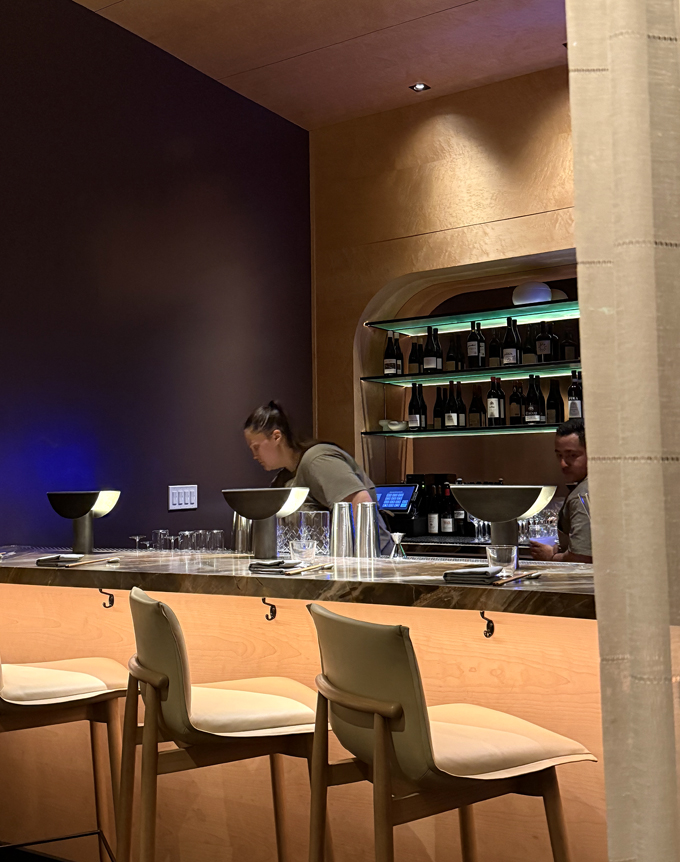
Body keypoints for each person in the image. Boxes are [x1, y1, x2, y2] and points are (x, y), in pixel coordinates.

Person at [244, 401, 394, 554]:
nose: (254, 456)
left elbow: (360, 502)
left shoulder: (316, 461)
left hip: (372, 562)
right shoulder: (283, 479)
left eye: (256, 447)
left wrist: (356, 563)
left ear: (276, 437)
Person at [530, 417, 592, 563]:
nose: (563, 464)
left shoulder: (581, 495)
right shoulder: (602, 482)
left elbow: (582, 557)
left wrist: (551, 557)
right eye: (559, 456)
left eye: (572, 455)